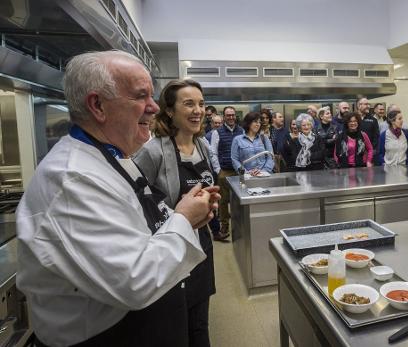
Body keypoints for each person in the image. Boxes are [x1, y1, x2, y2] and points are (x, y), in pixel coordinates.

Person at [16, 50, 219, 347]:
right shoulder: (73, 179)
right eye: (141, 96)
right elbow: (134, 279)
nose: (152, 108)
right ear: (98, 105)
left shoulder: (113, 155)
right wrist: (184, 218)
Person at [133, 79, 219, 346]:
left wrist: (209, 202)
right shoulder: (153, 150)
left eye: (201, 104)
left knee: (200, 321)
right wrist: (178, 212)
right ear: (169, 110)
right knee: (177, 323)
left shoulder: (202, 145)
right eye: (189, 104)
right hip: (171, 245)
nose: (198, 110)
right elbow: (138, 203)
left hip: (201, 242)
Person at [209, 106, 243, 234]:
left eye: (233, 115)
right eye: (228, 115)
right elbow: (213, 153)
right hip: (225, 171)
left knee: (240, 199)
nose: (231, 117)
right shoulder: (217, 132)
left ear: (235, 116)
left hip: (240, 172)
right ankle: (224, 225)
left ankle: (240, 224)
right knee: (223, 201)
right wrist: (218, 170)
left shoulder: (241, 131)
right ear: (224, 117)